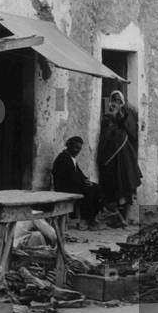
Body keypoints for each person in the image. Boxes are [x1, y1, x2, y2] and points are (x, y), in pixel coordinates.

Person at [97, 91, 142, 225]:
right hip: (111, 155)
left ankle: (125, 217)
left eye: (118, 100)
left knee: (126, 183)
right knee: (113, 185)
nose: (115, 102)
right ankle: (115, 217)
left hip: (124, 156)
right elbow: (105, 132)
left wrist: (120, 121)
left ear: (121, 102)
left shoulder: (126, 114)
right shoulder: (107, 116)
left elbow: (131, 131)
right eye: (113, 99)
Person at [51, 136, 101, 229]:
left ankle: (92, 218)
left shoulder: (71, 158)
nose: (77, 150)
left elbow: (79, 174)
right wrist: (84, 183)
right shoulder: (63, 158)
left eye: (79, 149)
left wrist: (86, 180)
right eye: (76, 147)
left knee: (96, 187)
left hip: (73, 185)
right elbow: (69, 177)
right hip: (64, 187)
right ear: (69, 146)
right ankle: (85, 219)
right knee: (89, 190)